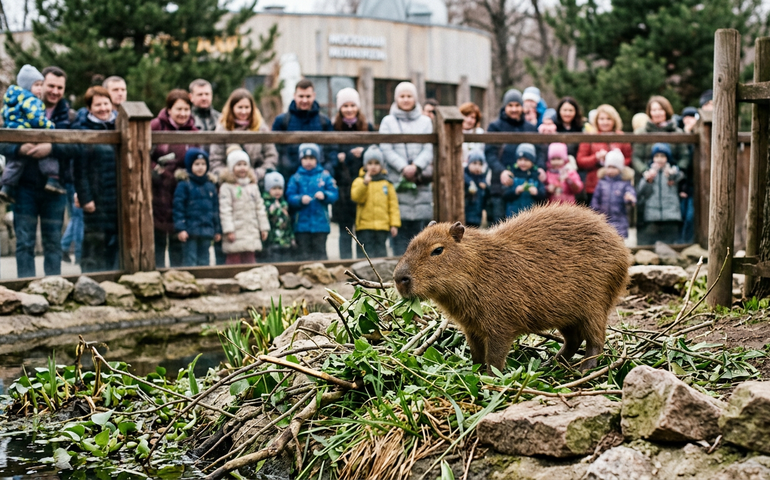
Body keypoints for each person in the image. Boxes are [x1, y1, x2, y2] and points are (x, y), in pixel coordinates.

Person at [0, 65, 77, 278]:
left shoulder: (68, 115)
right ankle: (26, 287)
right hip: (24, 186)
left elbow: (76, 146)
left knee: (53, 242)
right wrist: (19, 147)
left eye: (59, 87)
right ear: (39, 85)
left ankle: (53, 287)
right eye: (49, 85)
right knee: (25, 242)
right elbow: (2, 143)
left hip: (55, 187)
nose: (54, 91)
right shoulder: (18, 108)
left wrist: (51, 147)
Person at [379, 82, 434, 256]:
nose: (405, 99)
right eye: (402, 96)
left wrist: (416, 166)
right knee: (399, 228)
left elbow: (429, 148)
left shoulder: (425, 121)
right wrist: (403, 167)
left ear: (415, 98)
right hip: (397, 180)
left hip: (419, 182)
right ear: (396, 98)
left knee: (420, 230)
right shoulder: (388, 121)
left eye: (409, 96)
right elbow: (386, 148)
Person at [72, 86, 120, 272]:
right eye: (97, 104)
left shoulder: (119, 124)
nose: (103, 108)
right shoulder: (84, 129)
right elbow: (79, 169)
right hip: (96, 197)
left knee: (114, 242)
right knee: (94, 243)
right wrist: (85, 197)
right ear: (89, 108)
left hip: (116, 197)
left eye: (106, 103)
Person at [0, 65, 64, 203]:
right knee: (48, 160)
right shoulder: (31, 101)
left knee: (15, 163)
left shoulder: (12, 99)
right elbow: (36, 118)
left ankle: (6, 186)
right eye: (37, 85)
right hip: (29, 134)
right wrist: (49, 126)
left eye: (41, 85)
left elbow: (4, 116)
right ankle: (53, 179)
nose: (40, 89)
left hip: (15, 132)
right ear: (28, 86)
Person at [151, 89, 199, 268]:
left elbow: (197, 159)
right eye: (179, 109)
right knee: (158, 238)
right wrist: (157, 171)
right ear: (169, 109)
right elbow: (144, 153)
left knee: (178, 237)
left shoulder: (193, 132)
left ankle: (178, 277)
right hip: (158, 188)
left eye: (187, 109)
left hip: (181, 190)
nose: (183, 113)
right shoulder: (156, 126)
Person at [485, 89, 542, 225]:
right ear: (505, 107)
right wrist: (501, 171)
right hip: (501, 184)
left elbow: (540, 151)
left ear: (522, 106)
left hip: (526, 186)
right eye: (510, 105)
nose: (514, 109)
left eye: (517, 105)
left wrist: (540, 168)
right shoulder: (495, 127)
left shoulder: (530, 128)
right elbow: (490, 153)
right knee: (499, 226)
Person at [331, 87, 374, 259]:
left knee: (363, 227)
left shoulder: (367, 127)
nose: (349, 109)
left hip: (364, 184)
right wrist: (340, 157)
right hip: (342, 187)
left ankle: (364, 263)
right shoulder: (333, 128)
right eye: (345, 106)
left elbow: (374, 152)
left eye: (352, 105)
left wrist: (363, 153)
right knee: (345, 229)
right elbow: (330, 153)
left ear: (358, 107)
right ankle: (345, 263)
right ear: (340, 108)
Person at [272, 79, 337, 178]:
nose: (305, 100)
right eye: (301, 96)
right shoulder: (282, 121)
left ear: (314, 96)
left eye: (308, 96)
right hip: (289, 176)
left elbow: (332, 149)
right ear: (294, 96)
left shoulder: (324, 121)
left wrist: (328, 170)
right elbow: (274, 149)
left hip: (318, 177)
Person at [209, 88, 278, 181]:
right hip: (230, 182)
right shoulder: (223, 128)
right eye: (240, 107)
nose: (244, 111)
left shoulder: (261, 128)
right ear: (232, 108)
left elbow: (271, 155)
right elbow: (215, 159)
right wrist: (229, 176)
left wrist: (258, 174)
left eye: (247, 107)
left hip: (257, 180)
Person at [286, 143, 339, 260]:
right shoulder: (295, 177)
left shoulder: (324, 176)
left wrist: (324, 195)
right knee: (304, 255)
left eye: (312, 158)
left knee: (320, 254)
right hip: (302, 225)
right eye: (305, 158)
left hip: (321, 225)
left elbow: (334, 194)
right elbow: (290, 196)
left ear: (317, 159)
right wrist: (300, 199)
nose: (308, 161)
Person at [218, 149, 270, 265]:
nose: (242, 168)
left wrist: (264, 227)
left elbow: (260, 208)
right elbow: (225, 210)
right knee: (234, 260)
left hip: (251, 231)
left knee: (250, 260)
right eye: (238, 165)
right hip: (235, 232)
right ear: (231, 168)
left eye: (245, 164)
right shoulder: (227, 187)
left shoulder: (253, 186)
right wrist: (229, 230)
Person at [173, 148, 221, 266]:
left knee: (204, 260)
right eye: (197, 164)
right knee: (190, 260)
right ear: (190, 165)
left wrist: (217, 229)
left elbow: (215, 209)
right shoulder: (184, 184)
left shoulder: (210, 186)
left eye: (203, 164)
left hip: (206, 231)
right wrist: (181, 228)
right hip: (190, 231)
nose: (200, 167)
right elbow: (178, 208)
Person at [350, 146, 400, 258]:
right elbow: (356, 197)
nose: (373, 166)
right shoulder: (359, 181)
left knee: (381, 253)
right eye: (370, 163)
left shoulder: (387, 183)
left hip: (382, 226)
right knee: (365, 254)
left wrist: (394, 224)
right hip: (364, 226)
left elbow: (393, 205)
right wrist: (365, 184)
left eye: (377, 163)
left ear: (381, 165)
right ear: (365, 165)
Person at [576, 104, 632, 205]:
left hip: (618, 185)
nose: (605, 122)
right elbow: (580, 161)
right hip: (594, 184)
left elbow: (628, 158)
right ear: (597, 120)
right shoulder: (590, 136)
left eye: (608, 119)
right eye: (601, 119)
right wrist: (596, 158)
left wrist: (617, 160)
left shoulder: (620, 136)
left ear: (614, 120)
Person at [636, 143, 684, 245]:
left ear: (668, 158)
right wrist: (648, 180)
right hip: (652, 214)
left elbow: (682, 180)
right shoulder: (649, 173)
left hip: (671, 213)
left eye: (663, 156)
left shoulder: (673, 171)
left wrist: (672, 176)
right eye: (656, 156)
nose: (659, 159)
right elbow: (641, 192)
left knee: (670, 242)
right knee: (652, 242)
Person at [632, 96, 691, 178]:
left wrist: (676, 171)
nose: (657, 113)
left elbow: (684, 156)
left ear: (666, 111)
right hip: (648, 178)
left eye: (660, 109)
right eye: (654, 110)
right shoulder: (641, 132)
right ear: (649, 112)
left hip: (671, 178)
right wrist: (645, 171)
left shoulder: (677, 132)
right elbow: (636, 157)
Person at [591, 149, 636, 239]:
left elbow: (630, 192)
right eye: (609, 167)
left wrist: (630, 198)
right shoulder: (601, 182)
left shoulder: (624, 182)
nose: (610, 170)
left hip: (620, 221)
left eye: (614, 167)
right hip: (603, 220)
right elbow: (595, 199)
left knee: (618, 242)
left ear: (620, 169)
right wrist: (593, 213)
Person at [502, 143, 545, 217]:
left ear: (532, 161)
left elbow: (543, 196)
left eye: (526, 159)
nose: (522, 162)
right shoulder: (512, 174)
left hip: (531, 215)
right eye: (520, 159)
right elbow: (505, 195)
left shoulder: (536, 175)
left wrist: (536, 193)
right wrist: (515, 191)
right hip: (513, 215)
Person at [262, 171, 295, 262]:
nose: (277, 191)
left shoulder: (284, 203)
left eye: (280, 188)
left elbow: (288, 223)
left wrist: (291, 237)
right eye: (274, 188)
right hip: (272, 242)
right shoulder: (265, 203)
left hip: (285, 242)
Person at [678, 106, 698, 244]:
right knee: (683, 216)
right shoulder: (680, 134)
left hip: (695, 186)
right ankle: (681, 242)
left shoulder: (700, 133)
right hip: (682, 185)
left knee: (691, 217)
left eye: (691, 117)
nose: (688, 120)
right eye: (685, 117)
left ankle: (687, 242)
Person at [464, 149, 488, 228]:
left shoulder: (482, 179)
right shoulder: (465, 177)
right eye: (474, 163)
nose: (477, 167)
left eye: (480, 164)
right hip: (466, 214)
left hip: (477, 215)